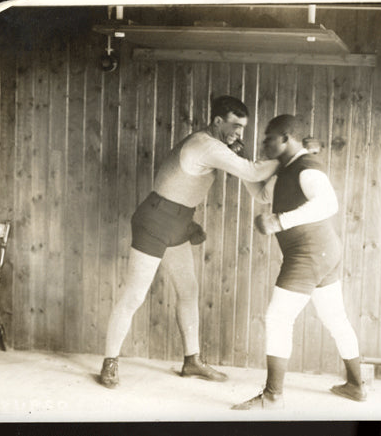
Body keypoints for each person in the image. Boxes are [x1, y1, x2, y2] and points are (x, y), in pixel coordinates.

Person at [99, 96, 280, 388]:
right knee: (134, 294)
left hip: (178, 223)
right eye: (235, 126)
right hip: (155, 221)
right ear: (217, 121)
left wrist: (277, 169)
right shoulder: (205, 145)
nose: (238, 134)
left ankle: (192, 361)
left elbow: (259, 193)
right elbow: (252, 171)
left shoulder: (222, 146)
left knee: (188, 291)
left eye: (243, 129)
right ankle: (109, 362)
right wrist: (287, 155)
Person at [232, 114, 366, 410]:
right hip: (323, 252)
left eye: (268, 138)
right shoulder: (287, 169)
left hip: (310, 253)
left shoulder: (306, 168)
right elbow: (261, 195)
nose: (264, 143)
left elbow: (328, 203)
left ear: (286, 138)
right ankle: (356, 386)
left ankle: (272, 396)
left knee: (278, 318)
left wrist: (280, 221)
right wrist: (240, 166)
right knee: (335, 318)